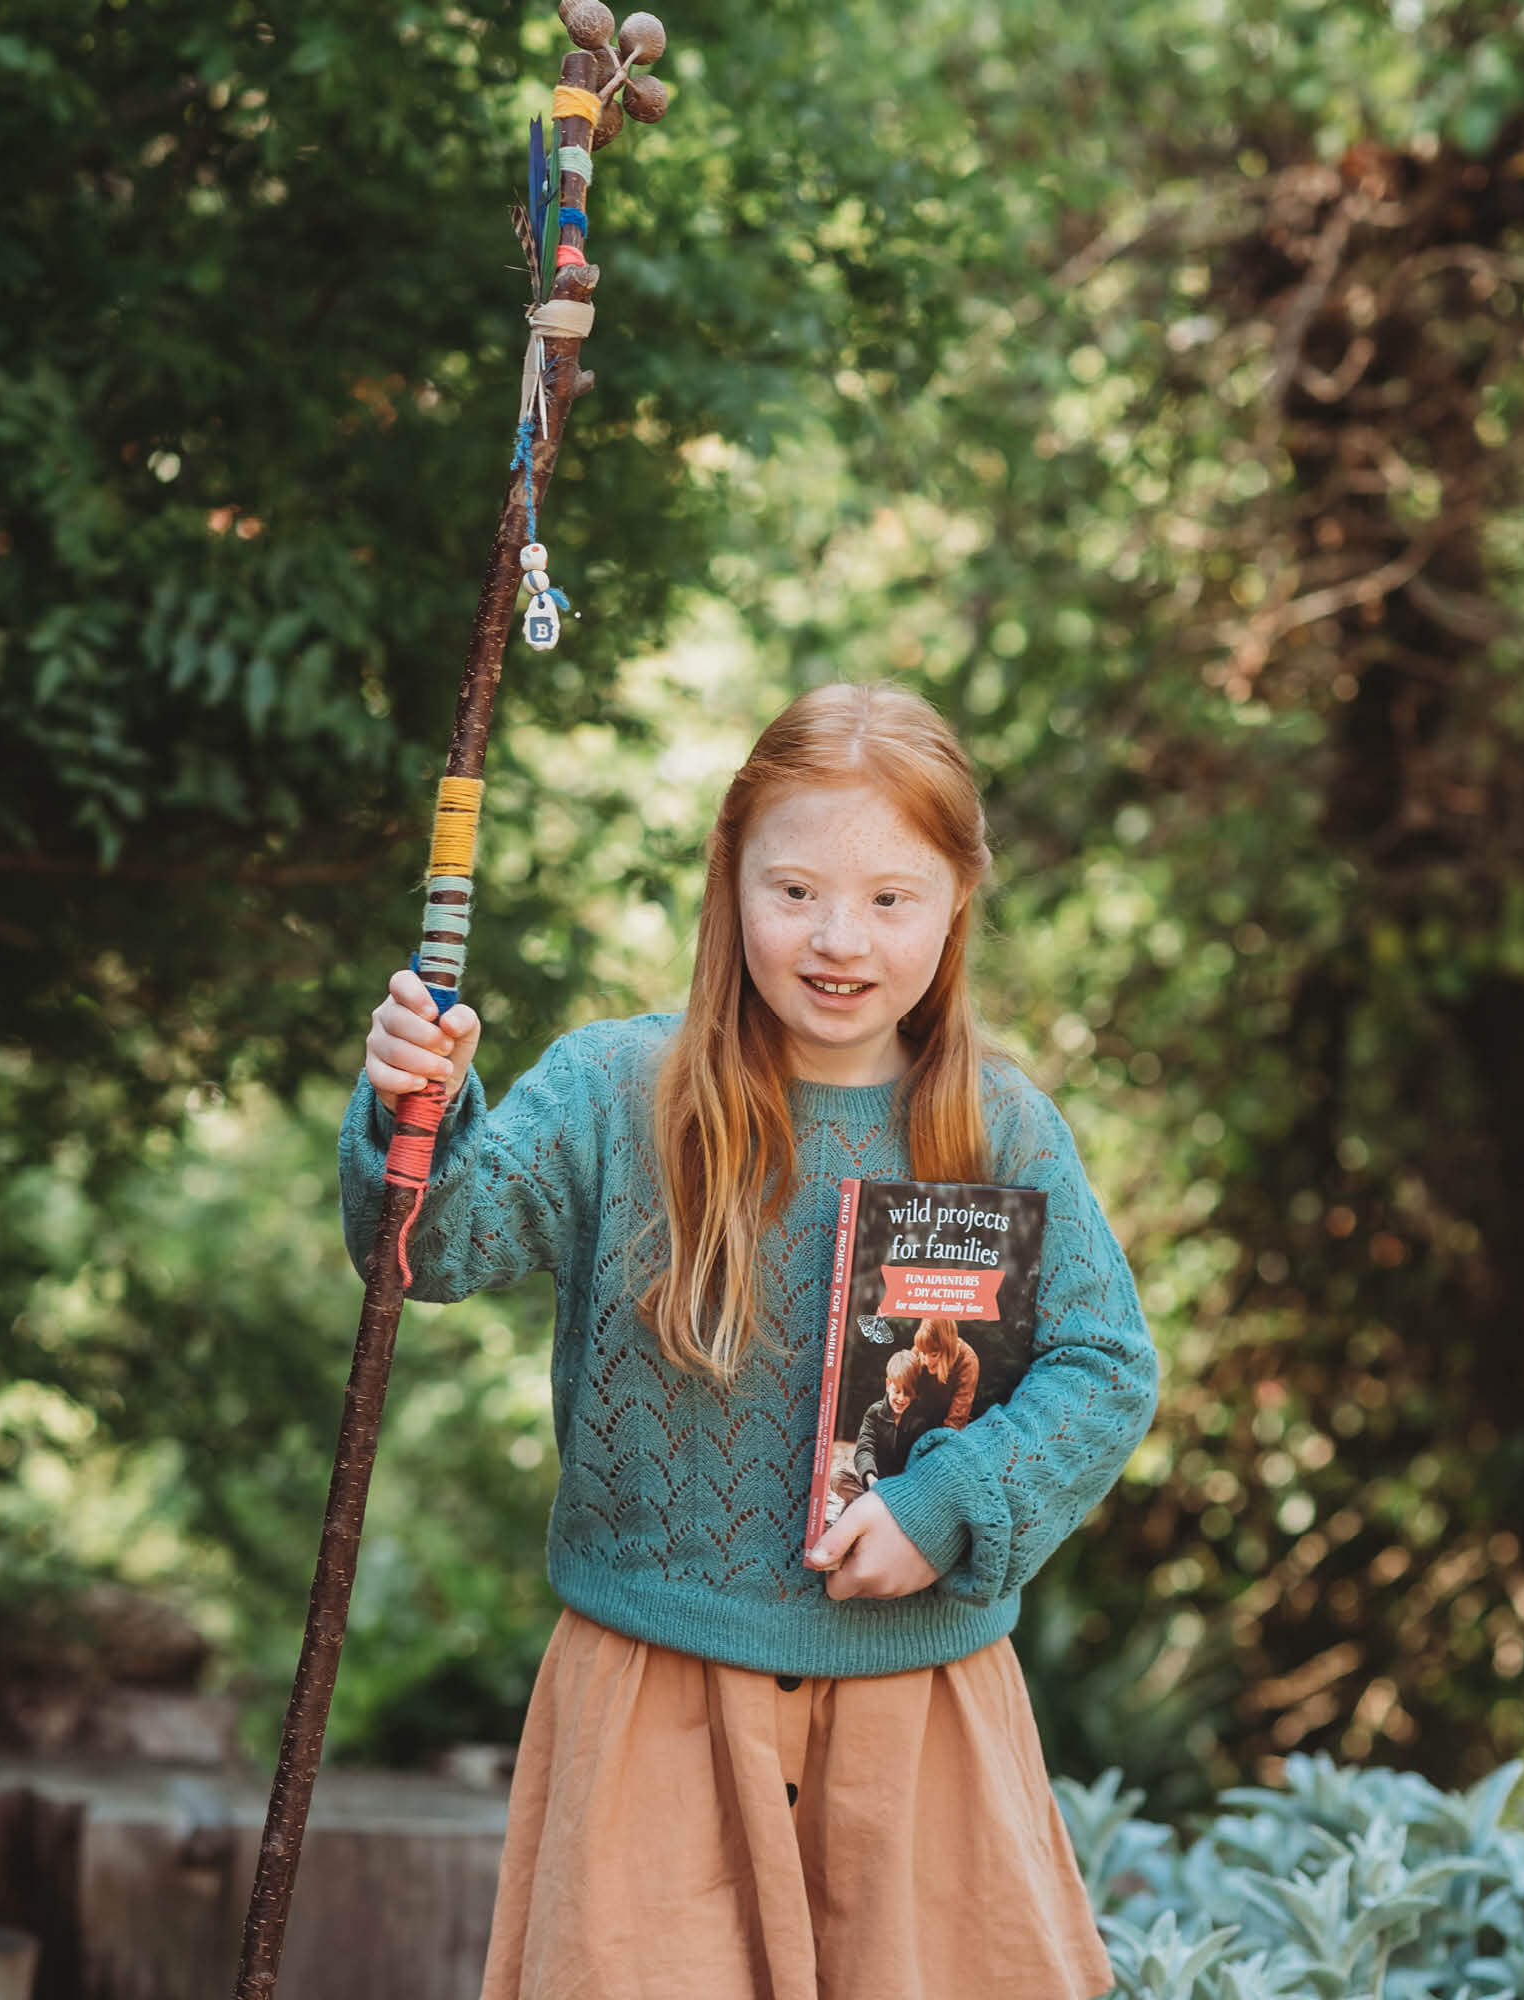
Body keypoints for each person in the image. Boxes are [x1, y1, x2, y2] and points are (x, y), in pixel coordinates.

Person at [342, 681, 1157, 2000]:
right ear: (732, 884)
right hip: (651, 1709)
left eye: (892, 897)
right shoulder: (617, 1092)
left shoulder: (999, 1130)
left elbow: (1107, 1367)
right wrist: (413, 1106)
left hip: (918, 1713)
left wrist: (946, 1502)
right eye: (796, 893)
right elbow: (434, 1250)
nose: (841, 938)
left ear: (958, 899)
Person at [834, 1347, 926, 1506]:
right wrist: (870, 1478)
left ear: (915, 1393)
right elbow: (864, 1448)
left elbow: (918, 1464)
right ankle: (875, 1507)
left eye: (908, 1393)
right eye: (897, 1391)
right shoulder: (874, 1413)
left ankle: (875, 1508)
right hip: (874, 1486)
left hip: (901, 1491)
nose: (901, 1398)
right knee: (838, 1478)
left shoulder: (918, 1423)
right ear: (888, 1385)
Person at [911, 1314, 980, 1430]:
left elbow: (956, 1419)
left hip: (949, 1427)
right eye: (923, 1353)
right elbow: (901, 1387)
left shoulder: (967, 1361)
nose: (927, 1362)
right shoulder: (923, 1346)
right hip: (917, 1423)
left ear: (947, 1350)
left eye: (934, 1355)